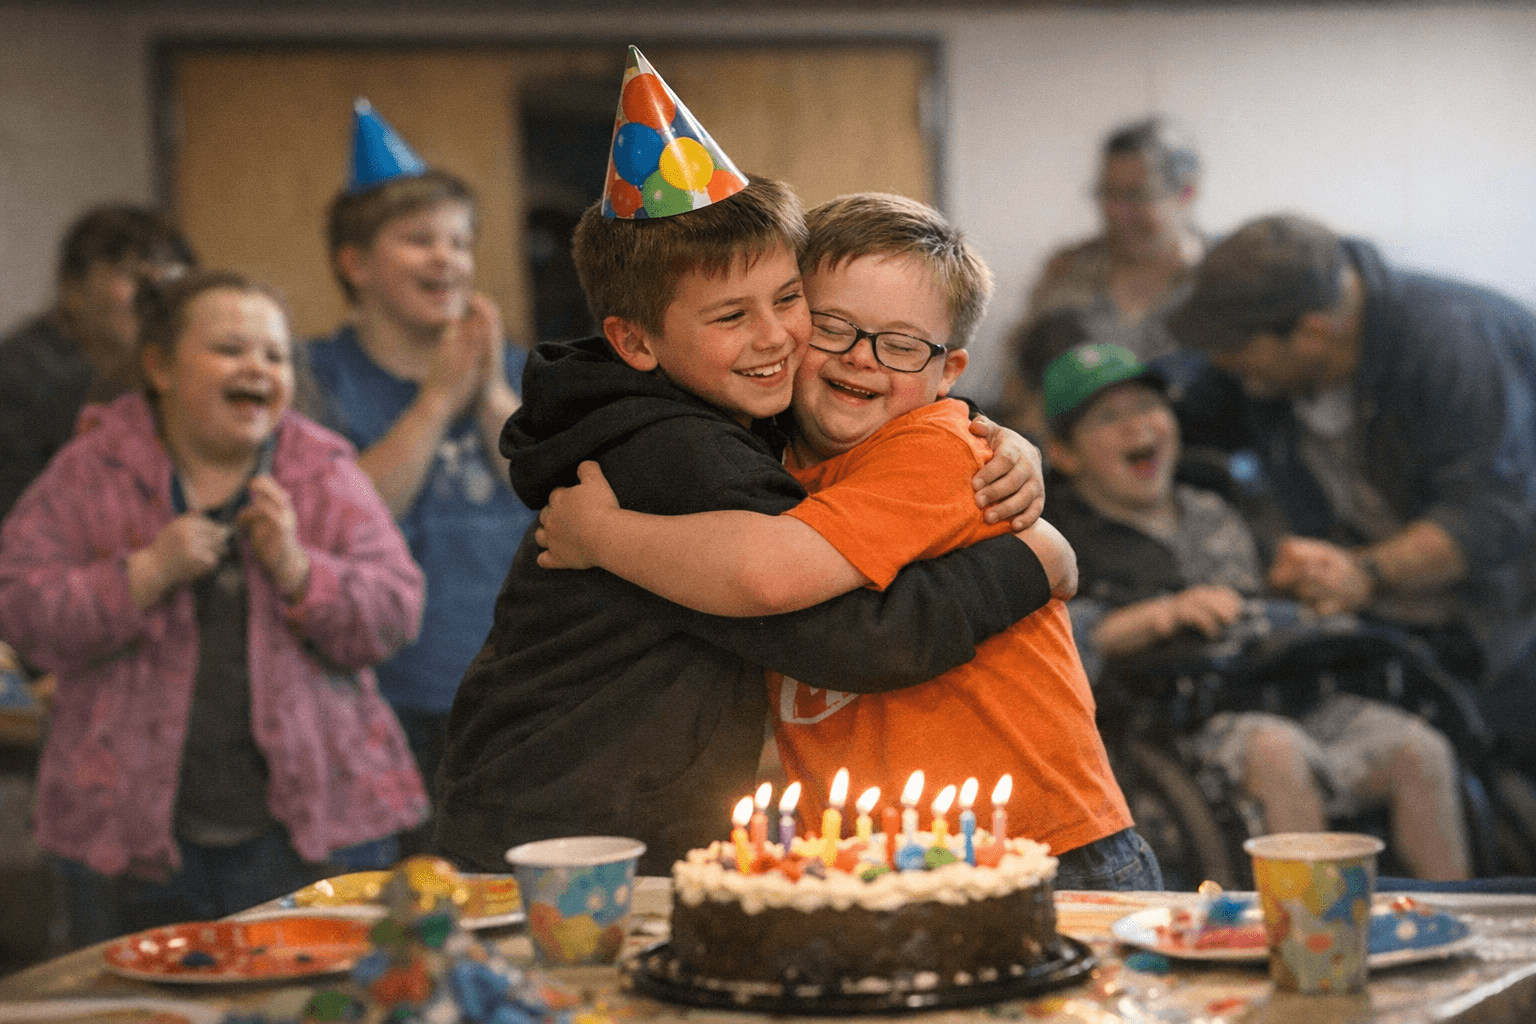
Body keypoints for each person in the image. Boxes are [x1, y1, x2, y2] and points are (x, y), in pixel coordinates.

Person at [434, 48, 1049, 877]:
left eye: (790, 300)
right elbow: (853, 641)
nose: (775, 339)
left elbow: (871, 405)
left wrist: (981, 428)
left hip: (563, 806)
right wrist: (1031, 561)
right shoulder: (669, 453)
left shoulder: (697, 407)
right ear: (635, 340)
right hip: (571, 833)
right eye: (731, 315)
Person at [535, 193, 1157, 890]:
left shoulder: (940, 447)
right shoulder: (766, 466)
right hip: (876, 866)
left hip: (1046, 853)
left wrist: (601, 534)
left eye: (899, 344)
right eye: (832, 327)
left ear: (947, 372)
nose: (861, 359)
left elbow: (766, 578)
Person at [0, 271, 428, 946]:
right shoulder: (90, 471)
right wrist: (140, 576)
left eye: (275, 355)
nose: (257, 366)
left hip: (315, 830)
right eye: (231, 348)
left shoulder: (323, 471)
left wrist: (299, 569)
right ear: (160, 366)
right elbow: (18, 604)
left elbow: (397, 610)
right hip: (126, 841)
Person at [1042, 342, 1470, 880]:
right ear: (1064, 453)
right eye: (1108, 417)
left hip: (1285, 690)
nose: (1137, 428)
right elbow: (1058, 646)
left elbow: (1277, 590)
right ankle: (1316, 941)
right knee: (1276, 750)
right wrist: (1157, 616)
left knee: (1419, 746)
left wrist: (1303, 578)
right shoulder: (1056, 539)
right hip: (1174, 722)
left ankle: (1454, 924)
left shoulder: (1216, 505)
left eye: (1149, 407)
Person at [1166, 214, 1536, 779]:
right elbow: (1181, 408)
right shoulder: (1274, 349)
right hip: (1403, 610)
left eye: (1236, 350)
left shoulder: (1453, 346)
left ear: (1312, 332)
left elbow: (1491, 515)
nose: (1222, 363)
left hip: (1506, 610)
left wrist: (1364, 571)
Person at [305, 101, 536, 849]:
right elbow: (338, 518)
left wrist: (488, 395)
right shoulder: (316, 378)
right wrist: (438, 399)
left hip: (508, 691)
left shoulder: (516, 375)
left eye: (460, 242)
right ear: (355, 262)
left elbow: (547, 487)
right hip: (374, 698)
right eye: (419, 240)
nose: (448, 260)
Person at [998, 117, 1204, 439]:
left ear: (1186, 192)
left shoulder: (1216, 281)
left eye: (1136, 196)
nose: (1115, 211)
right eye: (1107, 193)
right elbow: (1020, 388)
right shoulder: (1066, 273)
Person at [0, 205, 197, 522]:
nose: (155, 295)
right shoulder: (18, 376)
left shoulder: (177, 367)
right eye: (135, 276)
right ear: (73, 289)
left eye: (169, 278)